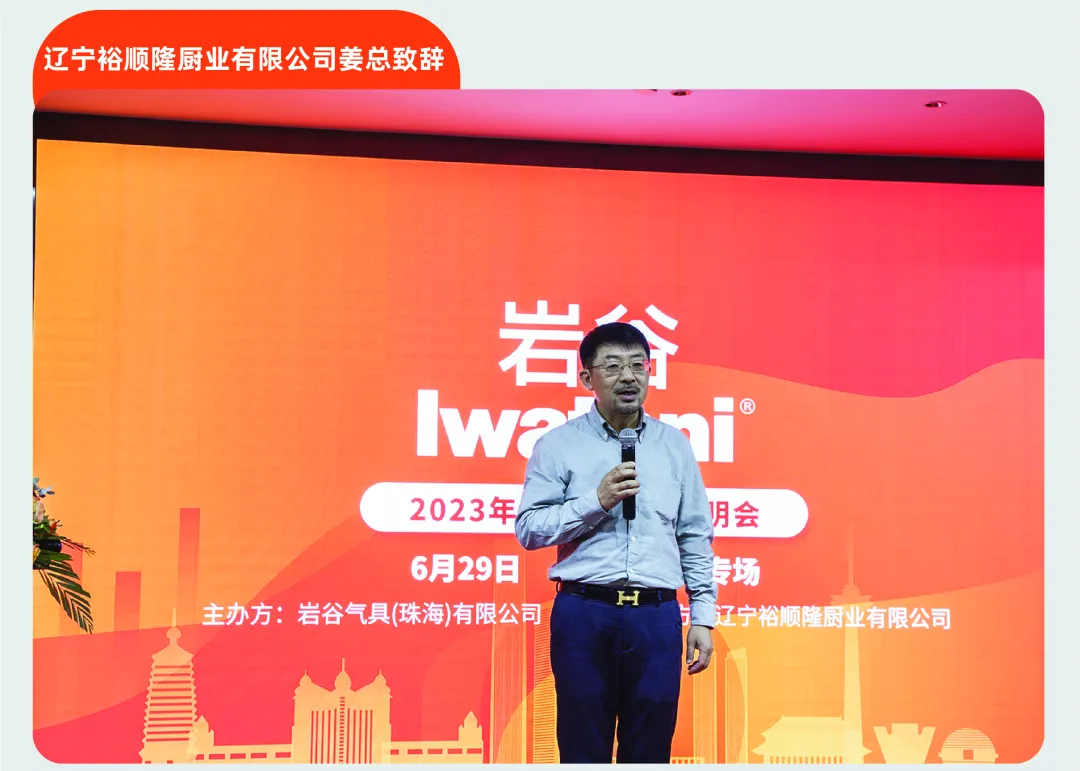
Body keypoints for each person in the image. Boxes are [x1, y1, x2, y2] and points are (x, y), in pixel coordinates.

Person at [514, 321, 717, 764]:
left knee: (650, 749)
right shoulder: (558, 445)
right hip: (585, 613)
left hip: (656, 616)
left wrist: (702, 616)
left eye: (637, 366)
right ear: (587, 378)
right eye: (612, 367)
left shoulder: (674, 446)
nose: (628, 377)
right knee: (582, 746)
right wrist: (596, 501)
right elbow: (530, 528)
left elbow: (694, 534)